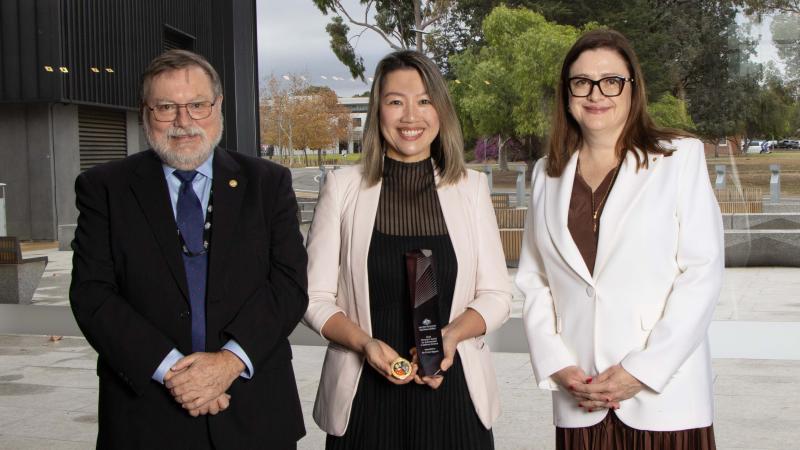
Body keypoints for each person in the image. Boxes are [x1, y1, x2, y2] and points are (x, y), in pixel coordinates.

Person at [69, 49, 308, 449]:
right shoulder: (104, 189)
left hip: (255, 413)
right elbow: (92, 294)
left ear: (217, 107)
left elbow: (288, 284)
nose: (184, 121)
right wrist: (174, 373)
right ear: (145, 113)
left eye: (197, 105)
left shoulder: (268, 183)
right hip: (144, 418)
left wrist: (229, 363)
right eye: (166, 107)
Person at [516, 29, 723, 449]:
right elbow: (534, 281)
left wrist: (642, 371)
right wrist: (557, 364)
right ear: (566, 92)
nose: (596, 93)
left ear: (633, 88)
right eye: (581, 82)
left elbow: (701, 273)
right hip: (582, 396)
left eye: (611, 81)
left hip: (663, 399)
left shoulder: (679, 158)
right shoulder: (545, 174)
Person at [304, 50, 512, 450]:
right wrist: (366, 345)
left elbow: (498, 296)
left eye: (424, 101)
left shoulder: (470, 188)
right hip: (364, 395)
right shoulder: (342, 187)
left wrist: (451, 336)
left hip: (454, 393)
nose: (410, 116)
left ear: (441, 111)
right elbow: (314, 298)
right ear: (377, 112)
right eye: (396, 101)